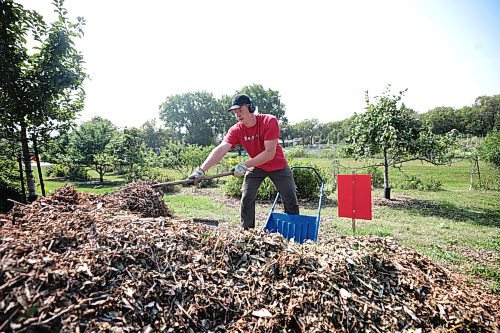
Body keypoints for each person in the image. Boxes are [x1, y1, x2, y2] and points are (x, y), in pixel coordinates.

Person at [188, 93, 299, 229]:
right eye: (235, 112)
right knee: (247, 198)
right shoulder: (236, 130)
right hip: (257, 166)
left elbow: (269, 153)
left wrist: (245, 164)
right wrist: (201, 170)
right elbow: (222, 148)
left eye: (240, 110)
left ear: (251, 107)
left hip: (278, 166)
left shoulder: (269, 121)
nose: (238, 115)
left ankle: (294, 233)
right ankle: (247, 233)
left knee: (290, 200)